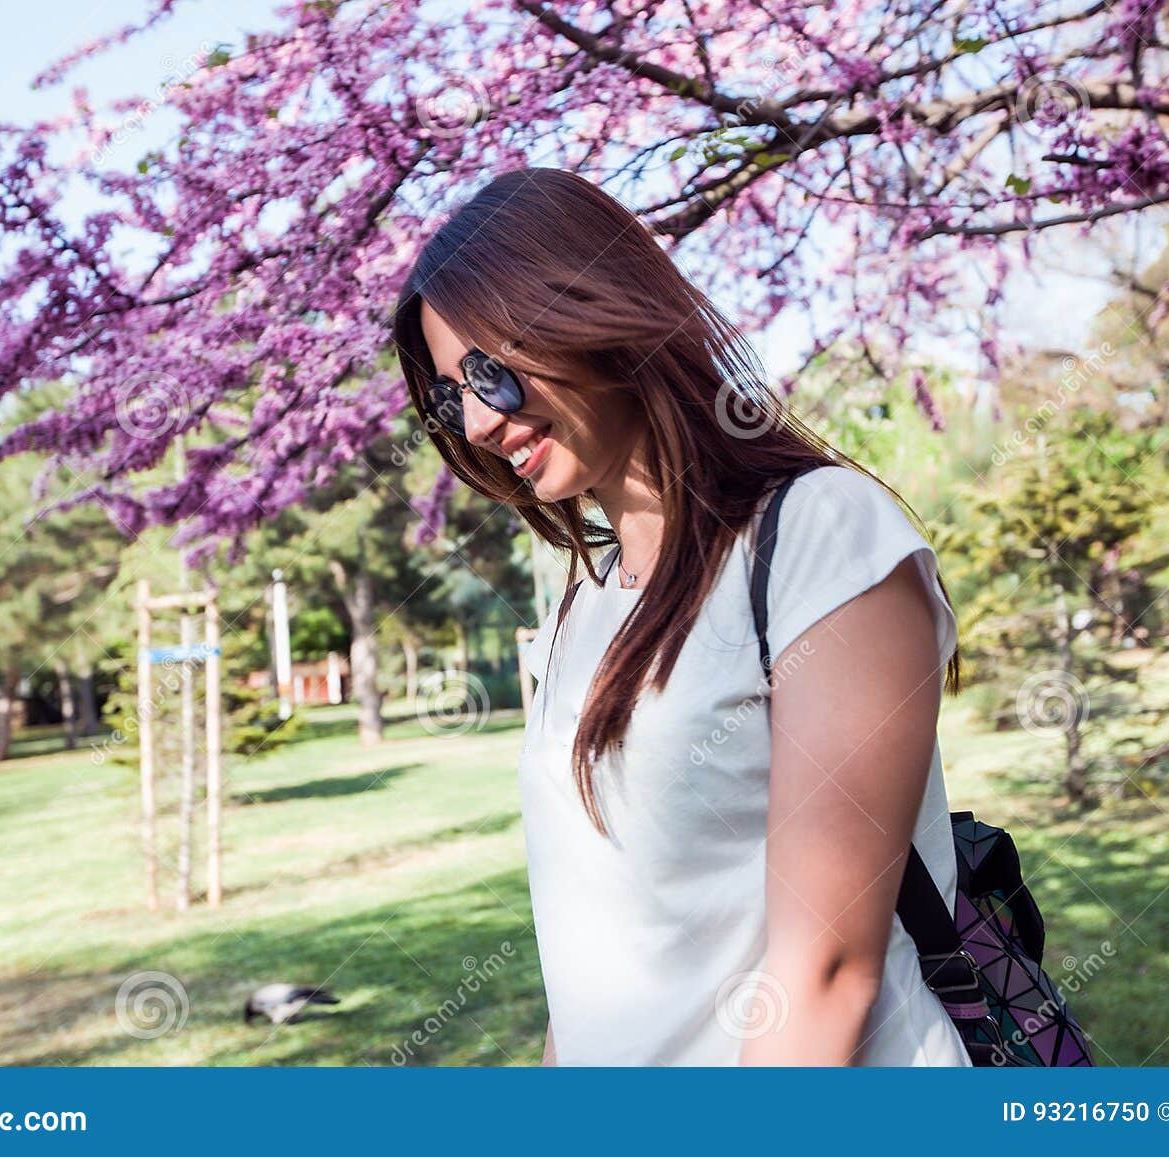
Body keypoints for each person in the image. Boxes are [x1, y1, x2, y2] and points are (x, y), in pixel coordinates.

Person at [392, 167, 968, 1066]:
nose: (474, 422)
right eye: (448, 395)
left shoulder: (819, 534)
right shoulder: (589, 597)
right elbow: (593, 954)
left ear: (596, 316)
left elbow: (825, 970)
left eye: (489, 374)